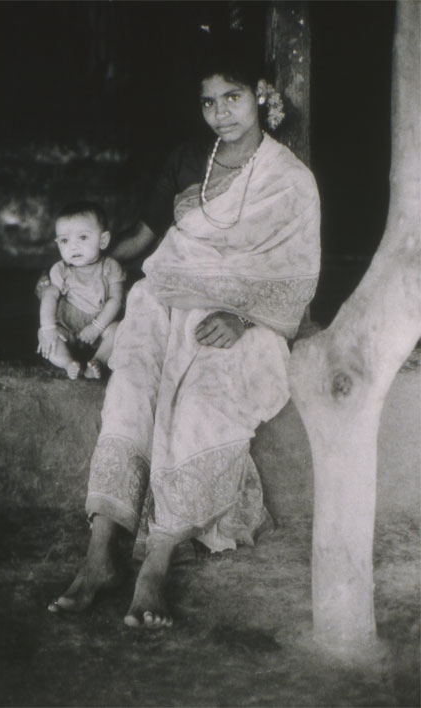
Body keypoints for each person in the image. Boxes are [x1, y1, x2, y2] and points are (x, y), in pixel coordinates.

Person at [48, 36, 320, 627]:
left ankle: (156, 561)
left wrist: (244, 315)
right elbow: (142, 243)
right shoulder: (184, 159)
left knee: (199, 401)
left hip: (242, 320)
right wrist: (76, 267)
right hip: (165, 300)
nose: (221, 112)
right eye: (209, 102)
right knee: (132, 384)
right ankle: (100, 554)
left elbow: (295, 273)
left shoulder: (290, 179)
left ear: (261, 97)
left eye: (233, 97)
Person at [37, 201, 125, 379]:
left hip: (100, 328)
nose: (73, 246)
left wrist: (96, 327)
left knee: (119, 330)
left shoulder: (110, 267)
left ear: (103, 240)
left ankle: (97, 361)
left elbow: (116, 299)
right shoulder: (61, 270)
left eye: (83, 238)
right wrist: (47, 328)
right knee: (45, 335)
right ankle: (68, 362)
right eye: (64, 240)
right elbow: (49, 296)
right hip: (67, 329)